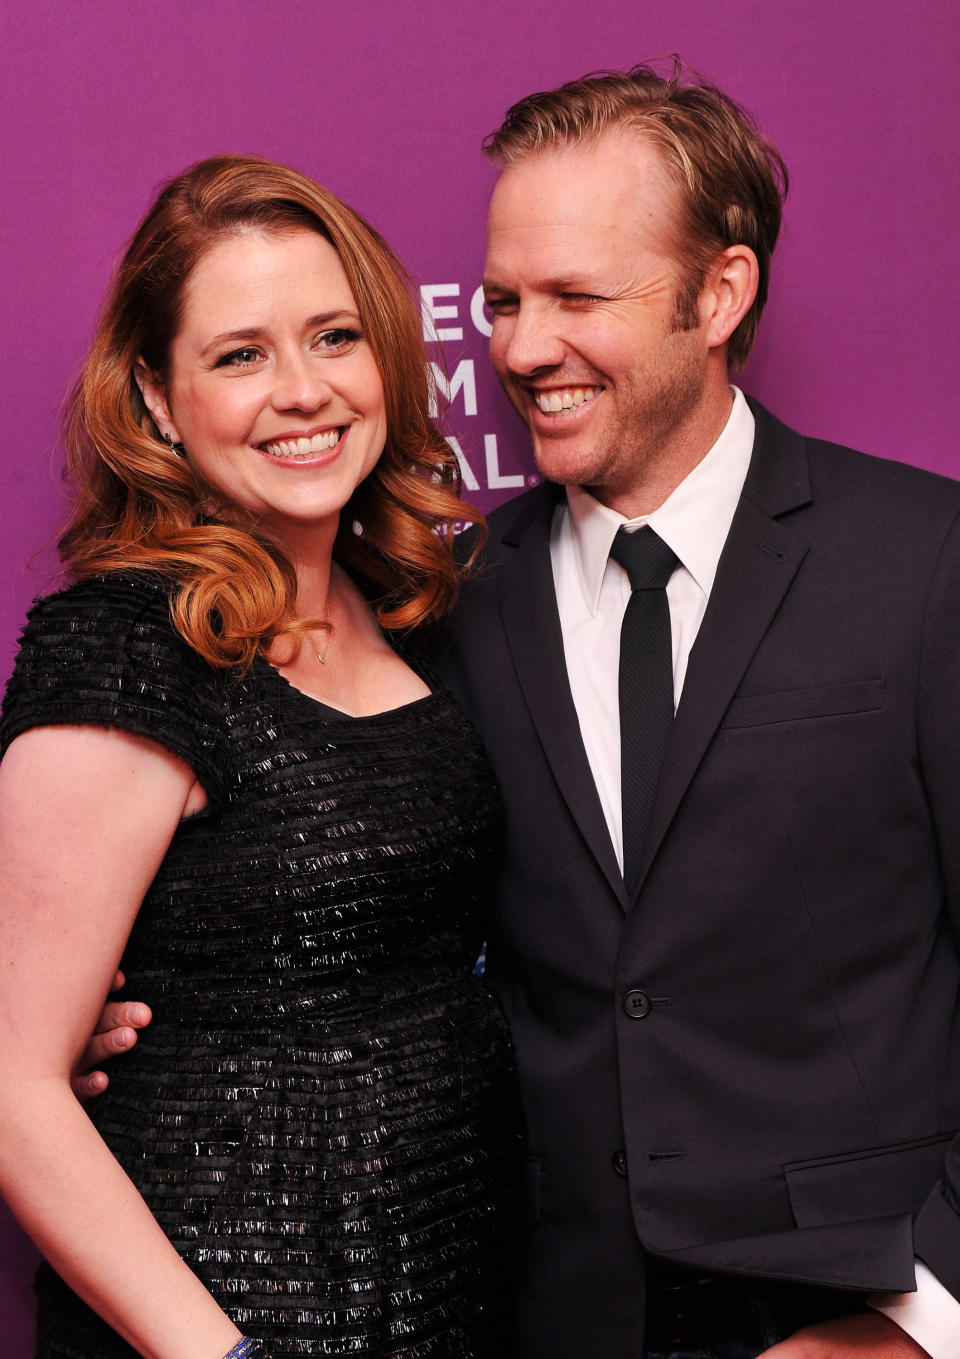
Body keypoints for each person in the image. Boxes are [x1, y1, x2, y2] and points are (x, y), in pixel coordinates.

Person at [81, 66, 960, 1359]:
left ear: (718, 293)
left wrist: (913, 1314)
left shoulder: (926, 559)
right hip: (538, 1309)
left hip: (854, 1302)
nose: (521, 347)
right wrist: (116, 994)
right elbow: (354, 885)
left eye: (576, 298)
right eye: (501, 301)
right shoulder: (444, 602)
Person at [0, 154, 522, 1359]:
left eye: (334, 337)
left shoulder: (406, 607)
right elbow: (20, 1090)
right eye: (240, 355)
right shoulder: (127, 646)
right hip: (228, 1328)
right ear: (156, 398)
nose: (304, 391)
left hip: (455, 1303)